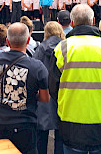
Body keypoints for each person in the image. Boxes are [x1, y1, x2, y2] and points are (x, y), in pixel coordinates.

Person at [49, 4, 101, 154]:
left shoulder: (62, 49)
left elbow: (53, 88)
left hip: (70, 125)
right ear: (93, 20)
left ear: (72, 23)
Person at [0, 23, 50, 154]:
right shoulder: (37, 67)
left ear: (8, 41)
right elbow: (44, 98)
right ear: (28, 40)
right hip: (25, 124)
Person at [33, 22, 65, 154]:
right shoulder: (66, 48)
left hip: (44, 94)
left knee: (41, 134)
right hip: (61, 94)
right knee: (61, 134)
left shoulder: (40, 49)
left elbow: (34, 70)